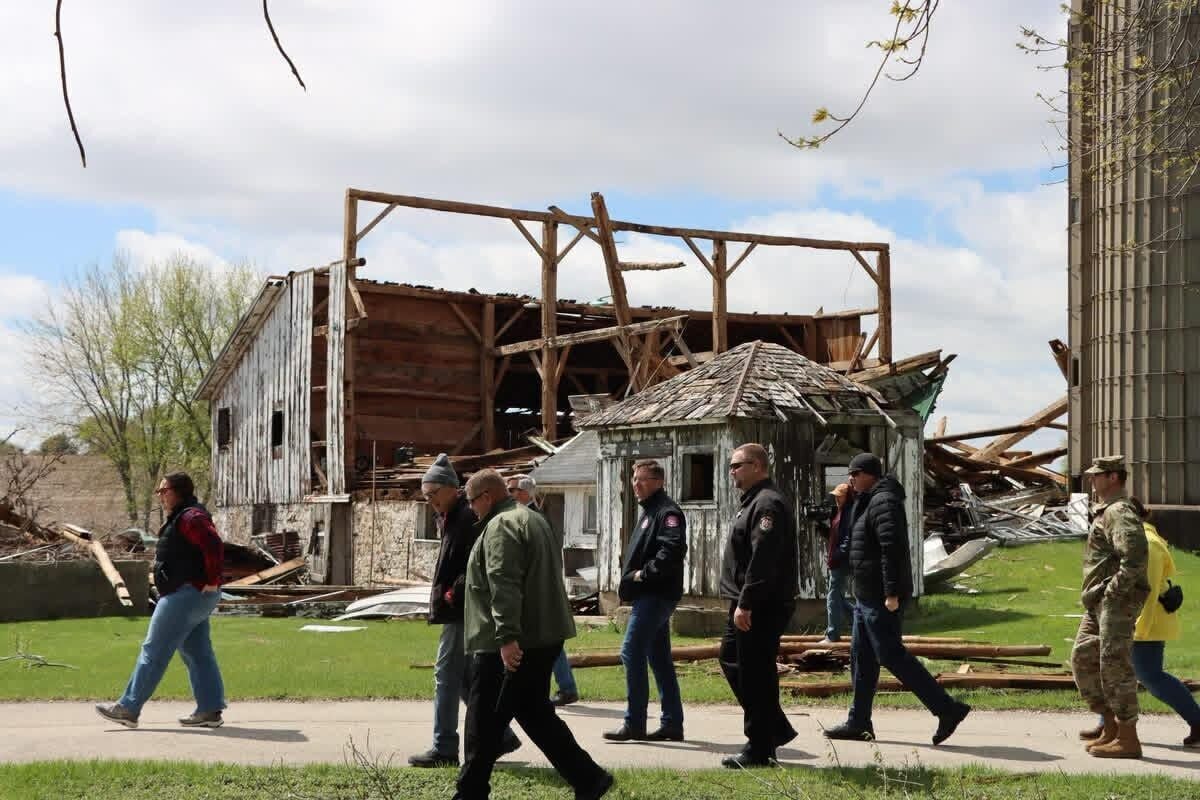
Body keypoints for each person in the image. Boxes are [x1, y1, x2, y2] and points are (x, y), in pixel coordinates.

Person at [454, 469, 613, 800]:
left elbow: (503, 581)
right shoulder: (531, 518)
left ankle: (470, 792)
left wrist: (507, 636)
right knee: (533, 713)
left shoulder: (501, 525)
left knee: (484, 719)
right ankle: (589, 778)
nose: (471, 508)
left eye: (472, 501)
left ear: (487, 496)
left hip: (512, 640)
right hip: (542, 635)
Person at [824, 452, 970, 745]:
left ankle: (947, 709)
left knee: (890, 654)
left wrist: (891, 592)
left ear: (869, 474)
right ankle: (859, 722)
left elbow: (891, 549)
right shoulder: (867, 500)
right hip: (866, 595)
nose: (850, 480)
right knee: (861, 658)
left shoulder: (884, 501)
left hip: (881, 596)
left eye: (855, 474)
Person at [409, 454, 520, 768]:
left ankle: (444, 747)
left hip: (463, 607)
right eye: (426, 496)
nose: (430, 500)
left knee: (446, 674)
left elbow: (477, 562)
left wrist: (452, 593)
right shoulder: (448, 516)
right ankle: (500, 735)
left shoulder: (466, 517)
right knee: (465, 679)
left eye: (433, 493)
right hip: (459, 607)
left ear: (451, 488)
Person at [95, 472, 226, 729]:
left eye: (164, 490)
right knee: (198, 653)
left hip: (185, 595)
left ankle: (128, 708)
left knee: (153, 651)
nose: (160, 495)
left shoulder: (191, 517)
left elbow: (214, 545)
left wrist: (213, 578)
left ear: (178, 492)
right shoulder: (184, 516)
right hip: (194, 595)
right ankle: (210, 710)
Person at [1079, 497, 1200, 749]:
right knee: (1112, 670)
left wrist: (1138, 630)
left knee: (1151, 676)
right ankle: (1108, 724)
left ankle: (1198, 721)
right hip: (1131, 619)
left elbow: (1149, 588)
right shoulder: (1130, 537)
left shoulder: (1148, 543)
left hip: (1146, 622)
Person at [717, 443, 799, 768]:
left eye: (737, 465)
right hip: (745, 601)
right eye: (731, 466)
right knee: (732, 659)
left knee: (755, 673)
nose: (732, 471)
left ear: (758, 466)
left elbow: (763, 559)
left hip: (760, 604)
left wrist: (747, 602)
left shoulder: (767, 504)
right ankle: (774, 728)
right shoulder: (752, 502)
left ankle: (760, 747)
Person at [1070, 455, 1151, 759]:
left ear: (1114, 477)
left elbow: (1136, 555)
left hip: (1115, 602)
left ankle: (1128, 739)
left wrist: (1114, 592)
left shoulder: (1119, 511)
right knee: (1083, 658)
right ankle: (1111, 727)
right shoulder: (1107, 510)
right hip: (1099, 602)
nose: (1092, 480)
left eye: (1097, 475)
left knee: (1115, 667)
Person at [604, 459, 687, 742]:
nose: (636, 484)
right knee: (659, 659)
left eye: (642, 479)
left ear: (659, 482)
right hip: (648, 595)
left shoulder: (668, 512)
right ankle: (672, 723)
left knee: (631, 651)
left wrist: (643, 574)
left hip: (656, 594)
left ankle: (635, 723)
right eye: (634, 479)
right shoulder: (649, 510)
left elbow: (672, 549)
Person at [508, 472, 580, 707]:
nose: (510, 494)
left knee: (547, 640)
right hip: (543, 587)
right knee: (549, 640)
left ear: (524, 493)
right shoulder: (533, 516)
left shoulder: (532, 518)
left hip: (541, 589)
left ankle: (563, 688)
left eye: (513, 490)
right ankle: (563, 687)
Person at [820, 482, 856, 644]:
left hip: (841, 561)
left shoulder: (849, 513)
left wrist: (837, 555)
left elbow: (848, 540)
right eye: (835, 496)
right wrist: (822, 528)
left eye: (839, 496)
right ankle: (861, 623)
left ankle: (832, 634)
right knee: (838, 597)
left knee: (833, 597)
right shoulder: (840, 512)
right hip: (836, 560)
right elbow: (835, 536)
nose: (836, 499)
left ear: (847, 497)